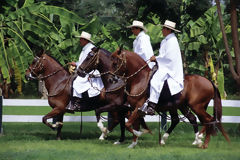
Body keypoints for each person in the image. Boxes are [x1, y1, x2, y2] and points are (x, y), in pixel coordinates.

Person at [138, 20, 184, 115]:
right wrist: (157, 58)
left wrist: (156, 58)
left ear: (168, 30)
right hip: (163, 64)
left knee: (155, 80)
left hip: (169, 67)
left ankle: (152, 105)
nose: (162, 30)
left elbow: (168, 57)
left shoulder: (172, 41)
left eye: (163, 28)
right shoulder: (165, 40)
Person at [66, 31, 104, 111]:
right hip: (84, 70)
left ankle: (76, 102)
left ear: (85, 40)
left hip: (89, 72)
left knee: (76, 81)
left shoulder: (90, 49)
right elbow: (83, 62)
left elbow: (87, 64)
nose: (80, 41)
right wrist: (75, 63)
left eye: (81, 39)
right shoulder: (85, 49)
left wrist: (77, 65)